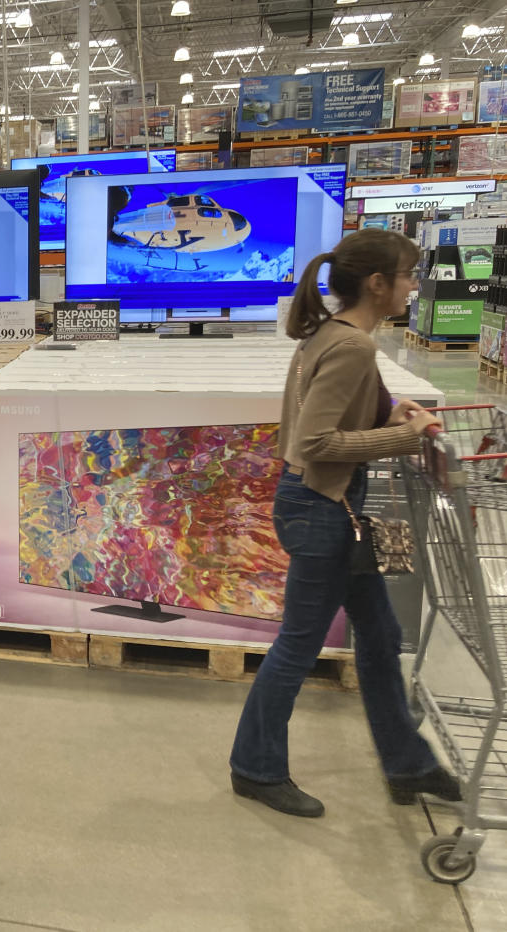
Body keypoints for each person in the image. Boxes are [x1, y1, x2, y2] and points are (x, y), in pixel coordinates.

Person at [229, 228, 462, 818]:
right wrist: (402, 436)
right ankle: (255, 767)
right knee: (298, 646)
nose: (415, 286)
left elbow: (352, 404)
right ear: (377, 284)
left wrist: (394, 411)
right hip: (321, 507)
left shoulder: (335, 335)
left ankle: (408, 764)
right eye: (409, 275)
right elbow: (315, 440)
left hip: (335, 507)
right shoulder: (352, 345)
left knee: (380, 637)